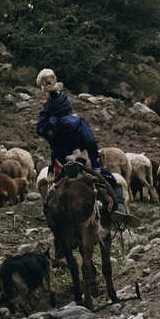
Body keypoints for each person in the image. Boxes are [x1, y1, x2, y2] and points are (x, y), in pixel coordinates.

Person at [34, 70, 126, 215]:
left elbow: (40, 128)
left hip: (59, 164)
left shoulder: (47, 125)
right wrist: (95, 161)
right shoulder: (77, 121)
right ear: (67, 106)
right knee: (113, 182)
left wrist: (46, 110)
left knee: (50, 191)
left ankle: (48, 213)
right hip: (81, 161)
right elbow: (89, 141)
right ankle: (120, 210)